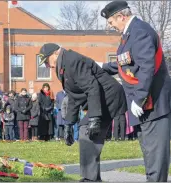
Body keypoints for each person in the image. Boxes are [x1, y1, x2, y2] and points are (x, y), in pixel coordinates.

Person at [99, 1, 171, 181]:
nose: (111, 26)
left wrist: (139, 99)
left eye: (111, 22)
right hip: (145, 107)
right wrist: (104, 66)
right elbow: (128, 61)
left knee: (155, 158)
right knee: (150, 156)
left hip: (152, 105)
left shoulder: (139, 32)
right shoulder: (131, 34)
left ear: (121, 17)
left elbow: (146, 67)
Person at [38, 43, 127, 182]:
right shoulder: (63, 66)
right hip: (101, 98)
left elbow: (92, 87)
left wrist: (95, 118)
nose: (47, 66)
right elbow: (74, 96)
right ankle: (91, 178)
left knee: (87, 130)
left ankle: (90, 179)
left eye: (47, 61)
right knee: (87, 131)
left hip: (109, 96)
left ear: (56, 53)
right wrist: (69, 123)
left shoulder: (72, 60)